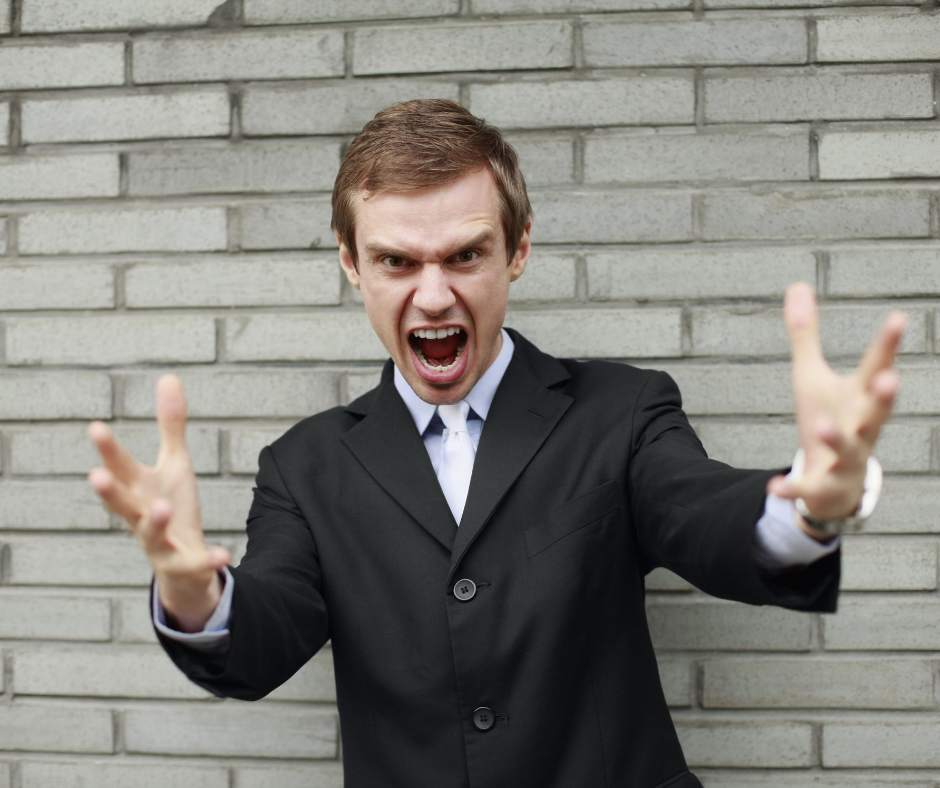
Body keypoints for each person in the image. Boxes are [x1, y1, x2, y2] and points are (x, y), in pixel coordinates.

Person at [87, 100, 905, 788]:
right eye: (397, 261)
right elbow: (264, 637)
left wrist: (807, 505)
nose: (434, 294)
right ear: (352, 265)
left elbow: (699, 511)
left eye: (466, 254)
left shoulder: (621, 410)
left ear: (516, 250)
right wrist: (193, 593)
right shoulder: (305, 469)